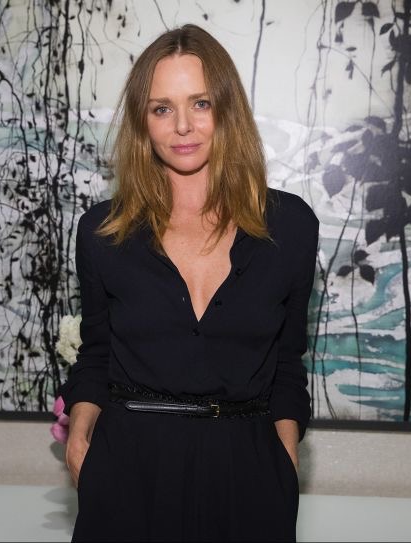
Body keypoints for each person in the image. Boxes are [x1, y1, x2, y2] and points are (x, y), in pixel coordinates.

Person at [60, 23, 319, 542]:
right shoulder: (101, 231)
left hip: (250, 474)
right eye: (162, 108)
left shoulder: (291, 226)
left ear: (227, 109)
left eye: (200, 103)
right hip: (127, 470)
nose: (182, 125)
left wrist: (284, 456)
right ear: (143, 121)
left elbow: (288, 362)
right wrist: (80, 438)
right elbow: (96, 354)